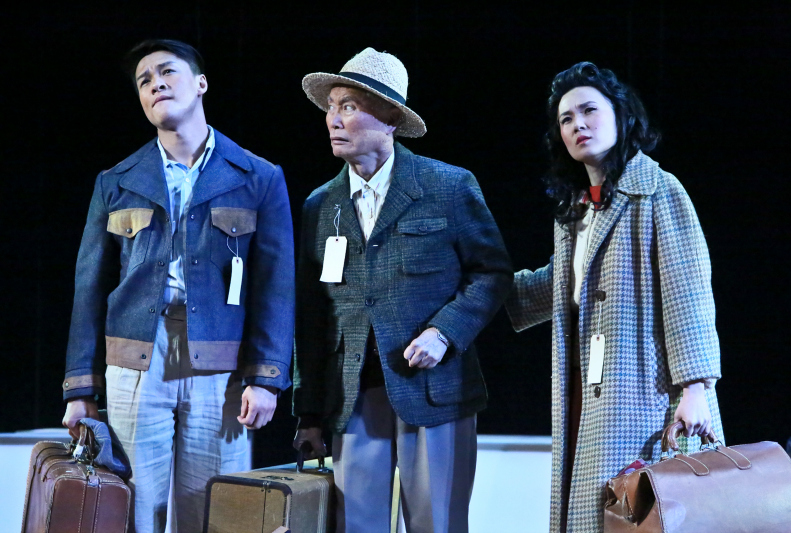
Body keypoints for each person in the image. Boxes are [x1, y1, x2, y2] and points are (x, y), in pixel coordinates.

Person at [60, 39, 294, 532]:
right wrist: (80, 388)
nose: (155, 84)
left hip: (221, 361)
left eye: (167, 72)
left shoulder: (258, 177)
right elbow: (88, 288)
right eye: (144, 81)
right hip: (135, 356)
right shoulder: (117, 180)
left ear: (200, 84)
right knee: (135, 507)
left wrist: (266, 376)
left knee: (215, 508)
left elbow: (276, 287)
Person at [292, 48, 513, 533]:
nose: (333, 118)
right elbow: (311, 316)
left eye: (348, 105)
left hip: (433, 391)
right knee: (356, 525)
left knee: (437, 524)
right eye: (331, 107)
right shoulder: (319, 205)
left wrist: (444, 333)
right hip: (351, 396)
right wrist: (308, 412)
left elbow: (492, 274)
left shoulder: (448, 186)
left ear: (390, 118)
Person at [505, 62, 724, 532]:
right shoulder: (576, 210)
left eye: (589, 110)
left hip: (648, 391)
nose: (578, 124)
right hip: (588, 389)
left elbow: (689, 292)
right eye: (566, 119)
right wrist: (489, 282)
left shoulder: (658, 191)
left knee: (641, 513)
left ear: (621, 116)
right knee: (600, 514)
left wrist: (695, 388)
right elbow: (563, 285)